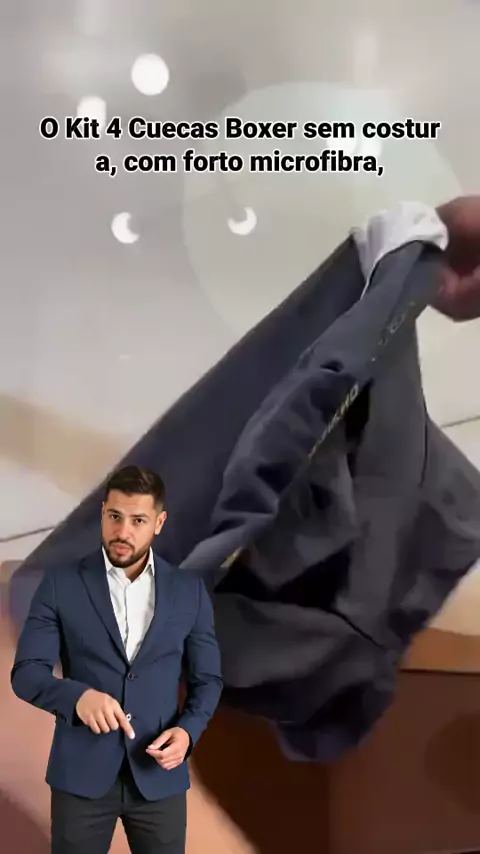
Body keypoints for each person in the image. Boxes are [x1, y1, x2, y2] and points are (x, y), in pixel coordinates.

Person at [11, 465, 223, 854]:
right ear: (103, 513)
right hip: (80, 778)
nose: (122, 532)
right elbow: (26, 674)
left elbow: (207, 680)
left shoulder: (189, 592)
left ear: (159, 523)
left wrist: (188, 732)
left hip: (159, 777)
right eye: (114, 516)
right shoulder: (61, 584)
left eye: (137, 520)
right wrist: (77, 697)